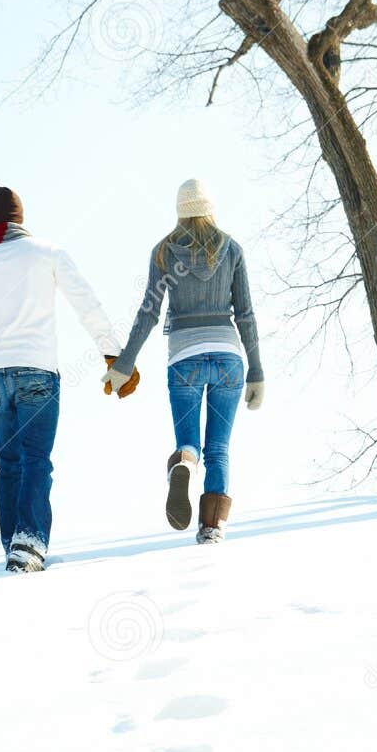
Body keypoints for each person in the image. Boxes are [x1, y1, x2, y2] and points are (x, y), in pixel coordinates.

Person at [0, 186, 139, 573]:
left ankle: (14, 544)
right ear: (21, 217)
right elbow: (86, 302)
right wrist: (113, 353)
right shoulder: (48, 253)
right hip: (37, 370)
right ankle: (28, 543)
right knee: (36, 460)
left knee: (9, 464)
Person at [105, 179, 264, 545]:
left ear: (180, 212)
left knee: (190, 443)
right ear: (210, 209)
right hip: (228, 358)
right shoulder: (232, 249)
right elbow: (247, 315)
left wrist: (125, 362)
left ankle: (184, 464)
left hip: (184, 358)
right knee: (219, 447)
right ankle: (211, 528)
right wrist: (256, 370)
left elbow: (149, 311)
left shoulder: (164, 252)